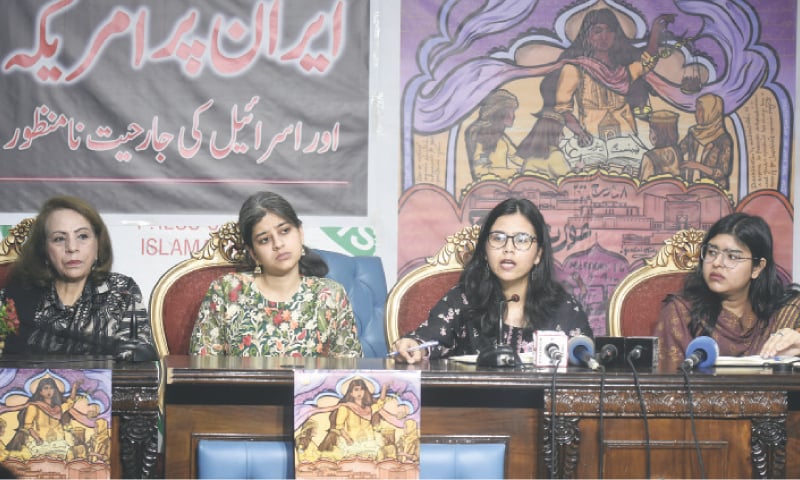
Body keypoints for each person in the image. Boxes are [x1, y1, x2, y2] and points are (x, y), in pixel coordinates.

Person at [392, 198, 592, 364]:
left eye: (522, 240)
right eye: (498, 238)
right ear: (485, 250)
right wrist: (413, 346)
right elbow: (429, 340)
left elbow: (585, 363)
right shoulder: (464, 299)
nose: (508, 249)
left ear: (538, 254)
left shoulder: (563, 308)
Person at [189, 191, 363, 357]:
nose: (278, 244)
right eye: (265, 239)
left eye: (285, 231)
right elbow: (203, 365)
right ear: (253, 253)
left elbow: (348, 369)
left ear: (300, 233)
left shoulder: (330, 296)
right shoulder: (226, 291)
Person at [0, 196, 156, 361]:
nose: (72, 248)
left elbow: (137, 359)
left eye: (82, 236)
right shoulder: (19, 293)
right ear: (44, 250)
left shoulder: (122, 290)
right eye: (59, 239)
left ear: (98, 244)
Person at [652, 213, 800, 368]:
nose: (717, 263)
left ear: (757, 268)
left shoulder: (786, 311)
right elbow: (670, 379)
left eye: (732, 257)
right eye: (712, 252)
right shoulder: (681, 312)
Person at [552, 9, 674, 147]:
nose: (604, 36)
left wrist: (656, 30)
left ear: (615, 36)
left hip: (628, 142)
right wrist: (580, 133)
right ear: (587, 37)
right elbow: (563, 109)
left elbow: (648, 60)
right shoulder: (575, 69)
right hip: (593, 143)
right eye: (597, 31)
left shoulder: (624, 71)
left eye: (609, 31)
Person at [317, 378, 387, 460]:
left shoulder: (369, 409)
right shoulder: (345, 407)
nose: (359, 392)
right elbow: (339, 426)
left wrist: (384, 388)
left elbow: (380, 403)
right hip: (352, 442)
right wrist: (347, 439)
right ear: (351, 393)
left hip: (369, 442)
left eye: (362, 389)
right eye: (356, 390)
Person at [464, 88, 524, 180]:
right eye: (510, 111)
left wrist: (532, 165)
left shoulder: (502, 138)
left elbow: (516, 157)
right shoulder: (482, 137)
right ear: (499, 112)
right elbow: (480, 171)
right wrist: (515, 172)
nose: (513, 116)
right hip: (488, 185)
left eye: (513, 111)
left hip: (503, 184)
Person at [678, 93, 733, 189]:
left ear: (712, 113)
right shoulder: (693, 133)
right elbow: (679, 151)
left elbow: (722, 172)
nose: (696, 114)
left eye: (701, 110)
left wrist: (698, 166)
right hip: (691, 188)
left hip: (714, 190)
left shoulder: (723, 140)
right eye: (696, 110)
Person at [639, 110, 681, 181]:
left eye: (651, 131)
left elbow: (643, 183)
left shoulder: (649, 157)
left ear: (655, 136)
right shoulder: (678, 152)